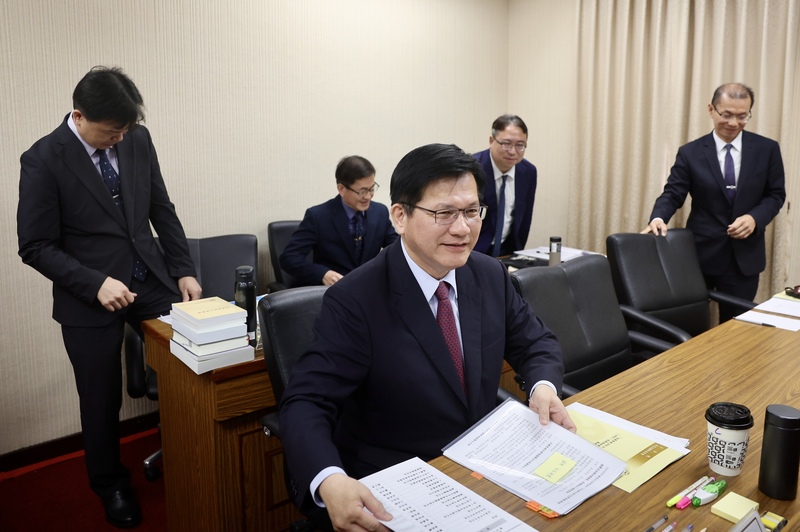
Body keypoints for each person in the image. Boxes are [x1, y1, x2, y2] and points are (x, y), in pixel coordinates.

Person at [280, 143, 575, 530]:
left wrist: (542, 386)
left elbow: (535, 342)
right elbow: (306, 402)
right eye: (443, 213)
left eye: (472, 211)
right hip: (398, 485)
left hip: (482, 471)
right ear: (400, 217)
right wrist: (330, 479)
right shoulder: (355, 299)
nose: (462, 228)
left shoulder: (488, 275)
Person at [17, 66, 202, 528]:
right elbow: (35, 246)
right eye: (109, 131)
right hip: (88, 295)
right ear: (79, 116)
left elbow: (162, 207)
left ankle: (197, 453)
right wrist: (94, 282)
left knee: (196, 360)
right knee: (100, 397)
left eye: (124, 129)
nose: (118, 139)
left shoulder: (136, 139)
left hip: (150, 279)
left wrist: (182, 269)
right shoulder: (42, 159)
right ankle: (110, 484)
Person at [644, 82, 785, 322]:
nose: (733, 123)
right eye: (727, 115)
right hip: (700, 255)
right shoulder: (691, 153)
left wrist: (754, 218)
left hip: (744, 258)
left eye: (742, 116)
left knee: (737, 328)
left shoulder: (767, 149)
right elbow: (673, 193)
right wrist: (658, 217)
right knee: (691, 324)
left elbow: (775, 195)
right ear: (711, 109)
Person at [279, 155, 398, 286]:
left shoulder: (380, 212)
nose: (368, 196)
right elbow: (289, 258)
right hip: (333, 292)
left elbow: (396, 248)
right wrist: (323, 274)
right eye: (362, 191)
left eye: (371, 189)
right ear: (341, 189)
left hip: (369, 289)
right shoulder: (318, 216)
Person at [473, 114, 537, 256]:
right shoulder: (472, 169)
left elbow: (525, 218)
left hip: (507, 250)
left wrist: (516, 253)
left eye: (520, 145)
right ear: (491, 141)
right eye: (506, 143)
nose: (513, 151)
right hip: (474, 250)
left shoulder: (528, 172)